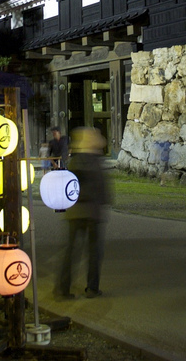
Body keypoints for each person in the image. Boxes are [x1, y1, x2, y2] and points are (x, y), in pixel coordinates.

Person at [56, 127, 110, 299]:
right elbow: (102, 189)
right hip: (93, 212)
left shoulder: (75, 162)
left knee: (71, 251)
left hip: (75, 212)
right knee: (94, 252)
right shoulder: (95, 162)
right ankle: (92, 288)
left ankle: (63, 289)